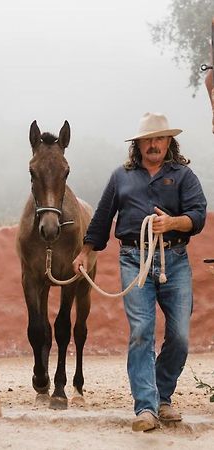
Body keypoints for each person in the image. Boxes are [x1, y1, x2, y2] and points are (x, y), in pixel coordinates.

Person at [72, 112, 207, 432]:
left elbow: (198, 215)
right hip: (133, 259)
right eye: (148, 139)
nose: (154, 144)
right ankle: (146, 407)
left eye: (159, 138)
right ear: (138, 145)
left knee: (180, 336)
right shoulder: (121, 176)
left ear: (168, 142)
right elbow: (102, 218)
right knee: (141, 332)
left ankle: (162, 396)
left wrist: (172, 223)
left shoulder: (184, 175)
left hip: (174, 258)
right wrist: (84, 252)